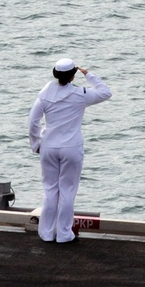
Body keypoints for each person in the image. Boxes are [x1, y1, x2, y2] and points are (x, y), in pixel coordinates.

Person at [28, 58, 111, 244]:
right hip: (71, 148)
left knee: (50, 190)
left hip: (48, 146)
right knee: (67, 190)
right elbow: (106, 92)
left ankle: (46, 233)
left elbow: (33, 122)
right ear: (73, 75)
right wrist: (88, 74)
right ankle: (64, 234)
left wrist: (36, 143)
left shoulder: (44, 94)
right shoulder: (80, 94)